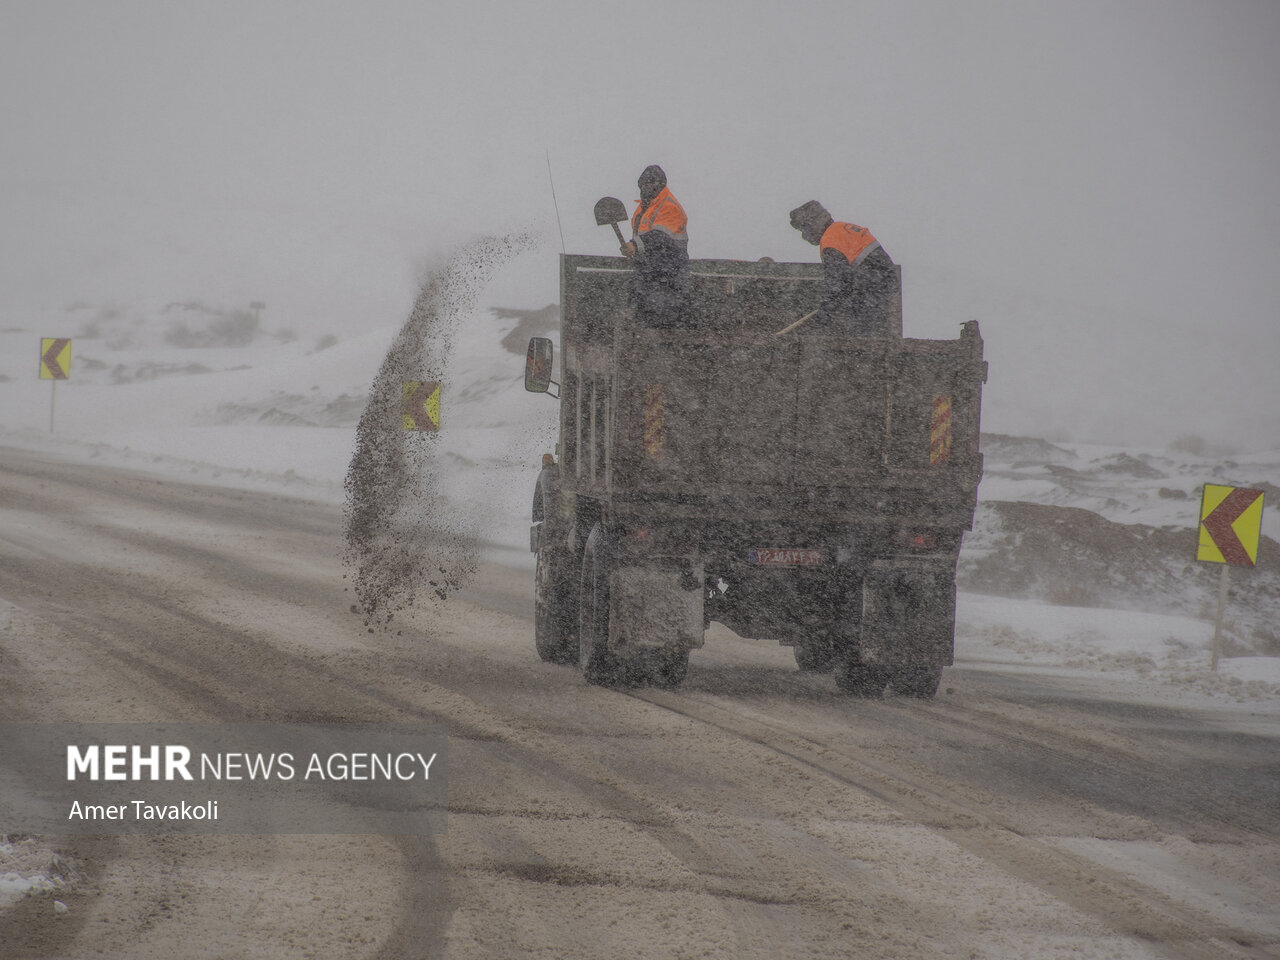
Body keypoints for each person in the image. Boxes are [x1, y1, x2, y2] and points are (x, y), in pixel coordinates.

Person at [789, 200, 899, 336]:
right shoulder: (841, 229)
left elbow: (837, 285)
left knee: (857, 329)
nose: (804, 236)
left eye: (803, 230)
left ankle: (860, 347)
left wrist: (821, 318)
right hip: (880, 281)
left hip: (871, 284)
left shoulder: (831, 241)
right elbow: (843, 284)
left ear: (812, 225)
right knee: (862, 323)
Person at [622, 165, 692, 327]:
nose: (645, 188)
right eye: (643, 185)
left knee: (661, 320)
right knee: (643, 319)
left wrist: (634, 245)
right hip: (648, 275)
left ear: (660, 185)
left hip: (669, 277)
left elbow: (661, 237)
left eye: (650, 184)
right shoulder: (643, 209)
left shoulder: (669, 206)